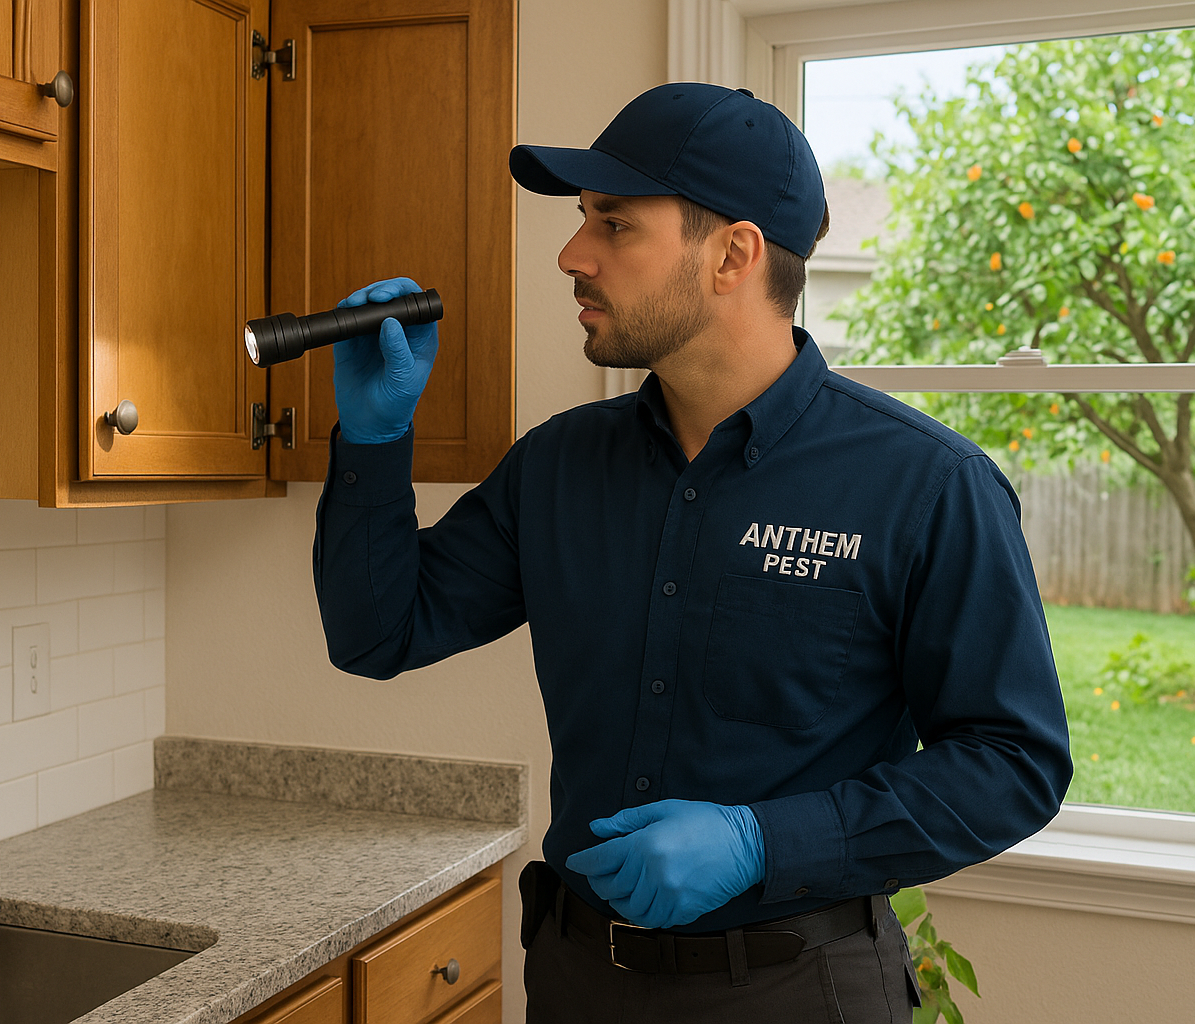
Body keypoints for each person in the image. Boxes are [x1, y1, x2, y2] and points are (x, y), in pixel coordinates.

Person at [313, 82, 1072, 1022]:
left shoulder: (927, 486)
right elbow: (379, 633)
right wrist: (374, 443)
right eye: (583, 218)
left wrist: (764, 842)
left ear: (733, 255)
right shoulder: (557, 466)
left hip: (799, 991)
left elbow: (1013, 764)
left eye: (616, 224)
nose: (571, 254)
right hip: (577, 981)